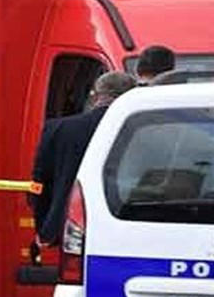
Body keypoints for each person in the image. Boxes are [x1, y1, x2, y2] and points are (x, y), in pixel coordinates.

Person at [29, 71, 137, 246]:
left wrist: (45, 228)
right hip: (126, 227)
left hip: (66, 227)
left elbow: (39, 183)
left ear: (95, 95)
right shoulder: (142, 128)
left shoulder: (58, 129)